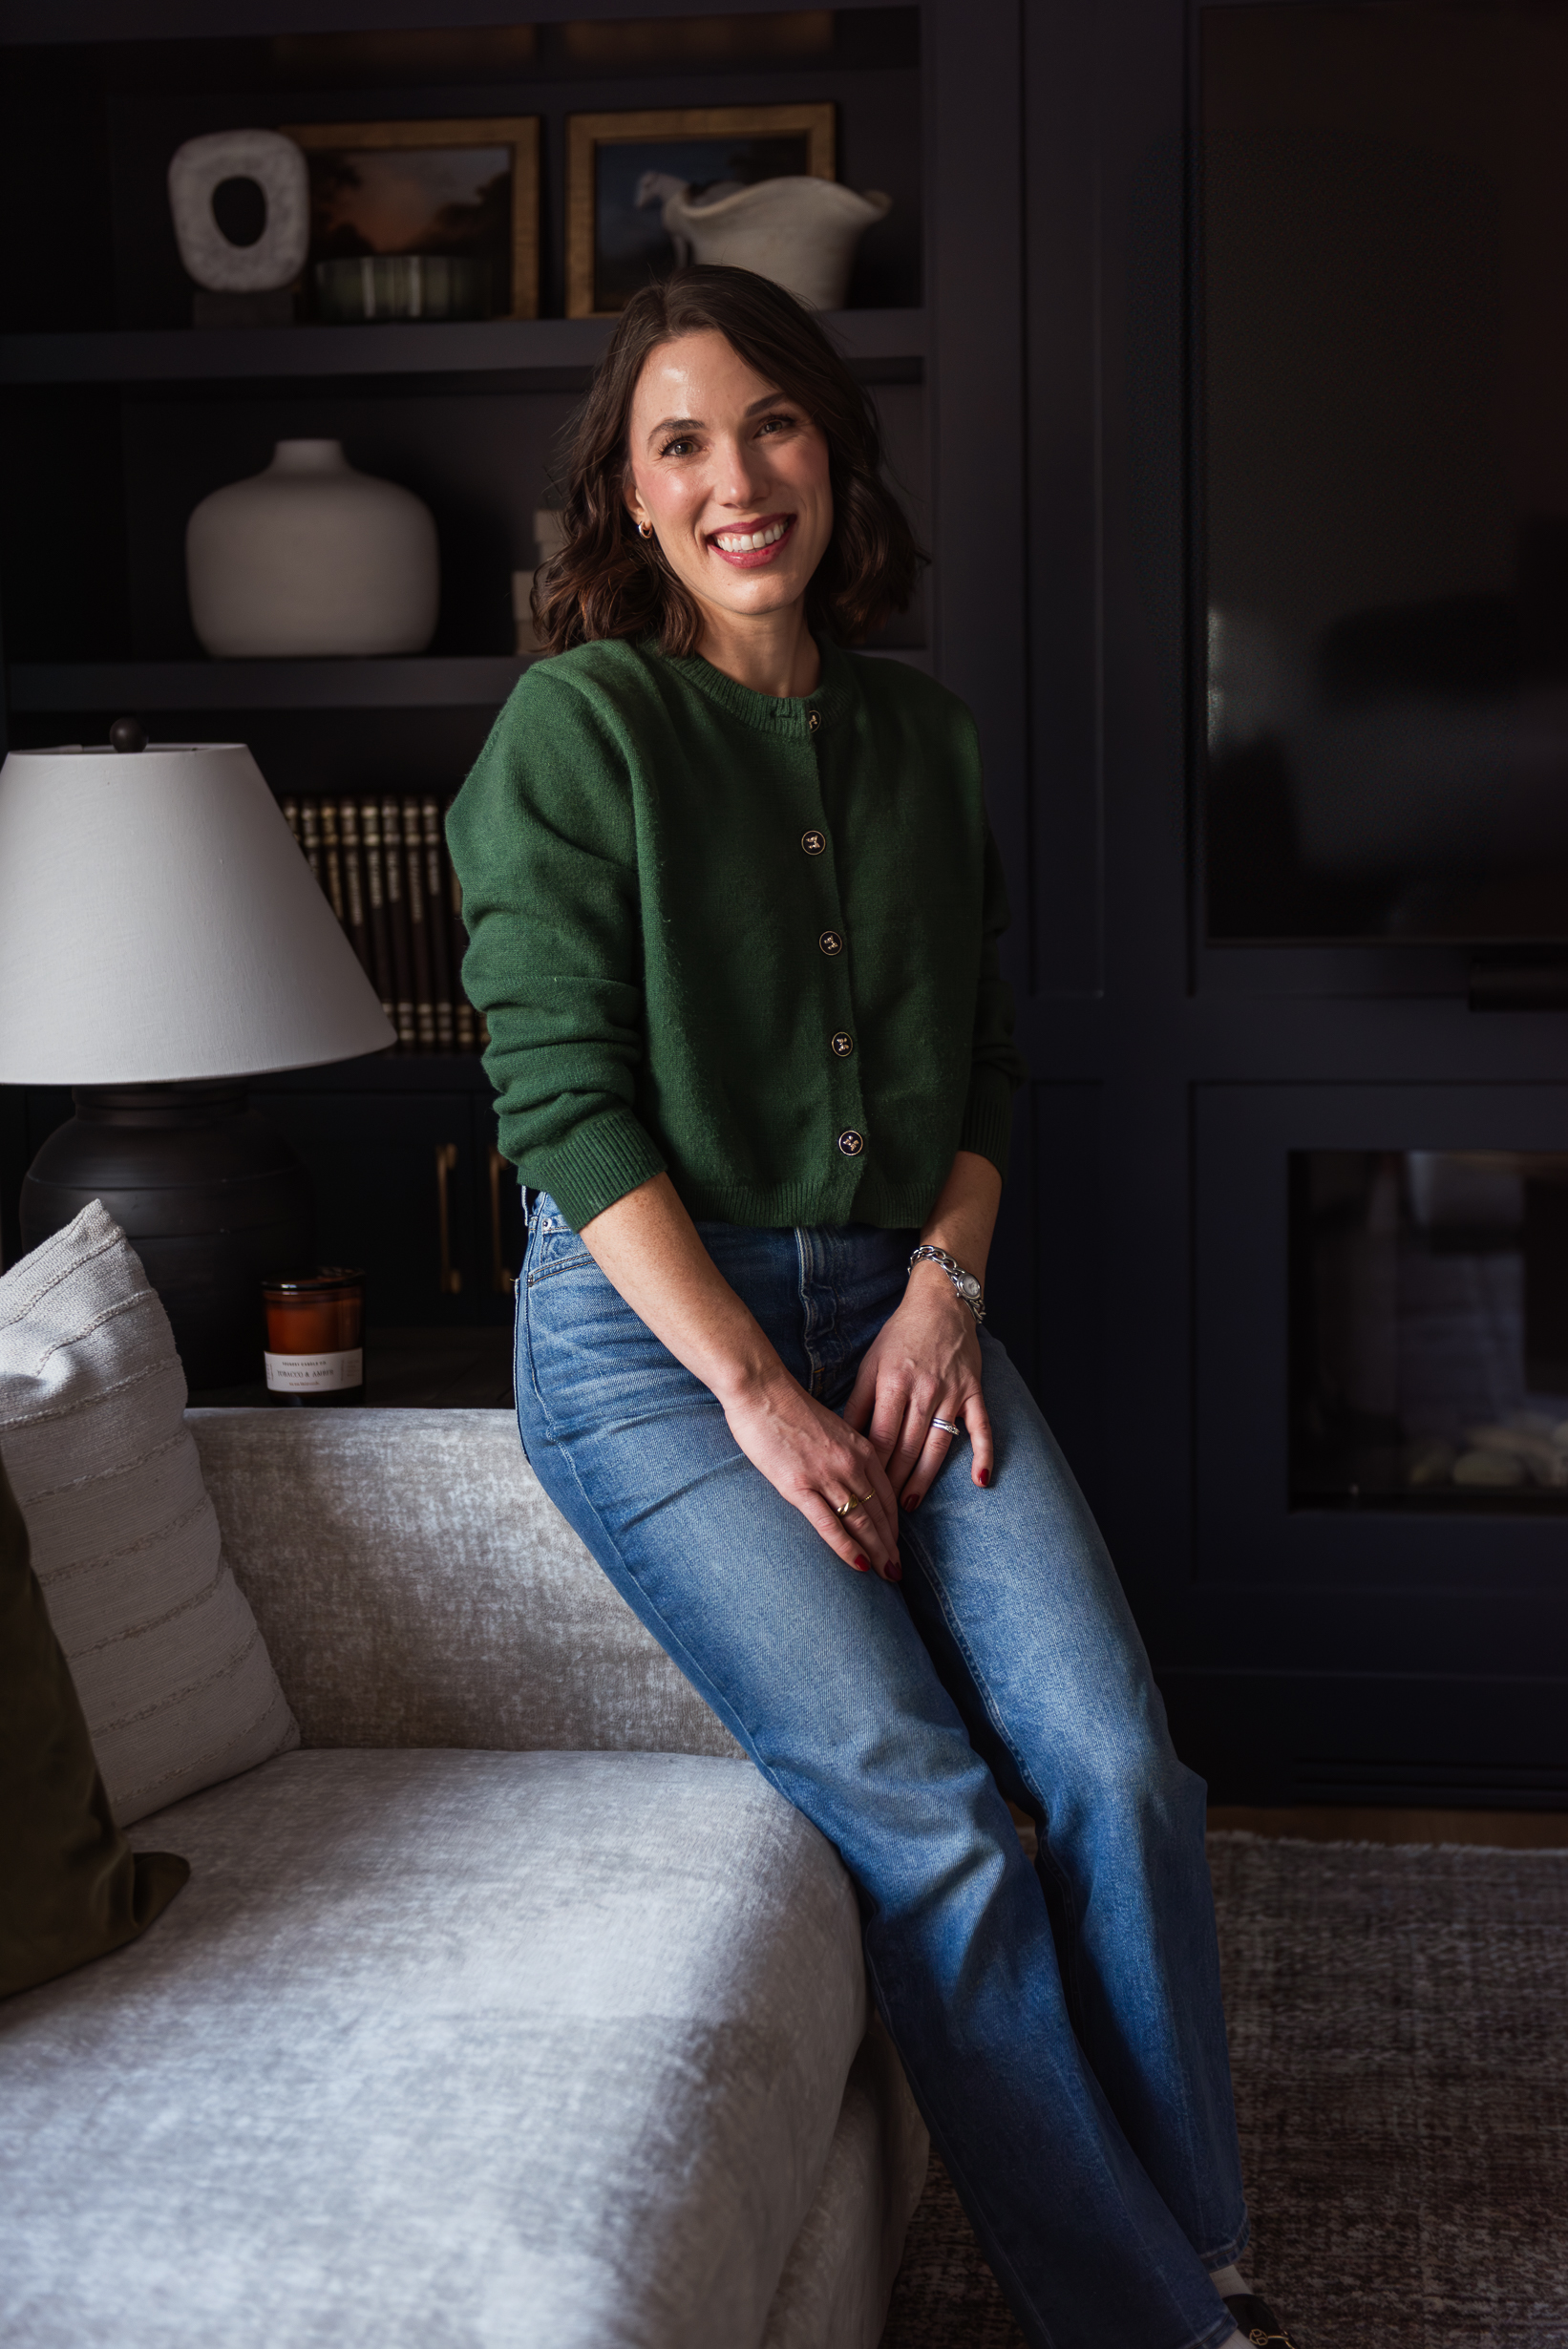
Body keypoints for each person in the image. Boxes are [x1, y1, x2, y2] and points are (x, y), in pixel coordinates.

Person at [447, 265, 1297, 2349]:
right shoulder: (582, 726)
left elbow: (981, 1073)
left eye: (772, 424)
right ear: (626, 501)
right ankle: (1151, 2332)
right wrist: (753, 1389)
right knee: (933, 1822)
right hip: (659, 1353)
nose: (737, 476)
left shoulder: (918, 733)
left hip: (904, 1298)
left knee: (1110, 1766)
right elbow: (557, 1102)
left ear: (833, 449)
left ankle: (1202, 2248)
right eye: (679, 442)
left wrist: (937, 1296)